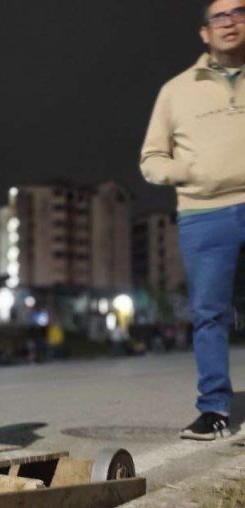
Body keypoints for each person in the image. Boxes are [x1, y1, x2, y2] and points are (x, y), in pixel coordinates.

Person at [140, 0, 245, 440]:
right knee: (208, 314)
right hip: (204, 214)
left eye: (240, 11)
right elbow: (151, 160)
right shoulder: (176, 90)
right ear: (205, 32)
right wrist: (191, 170)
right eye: (219, 16)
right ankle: (215, 409)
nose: (230, 22)